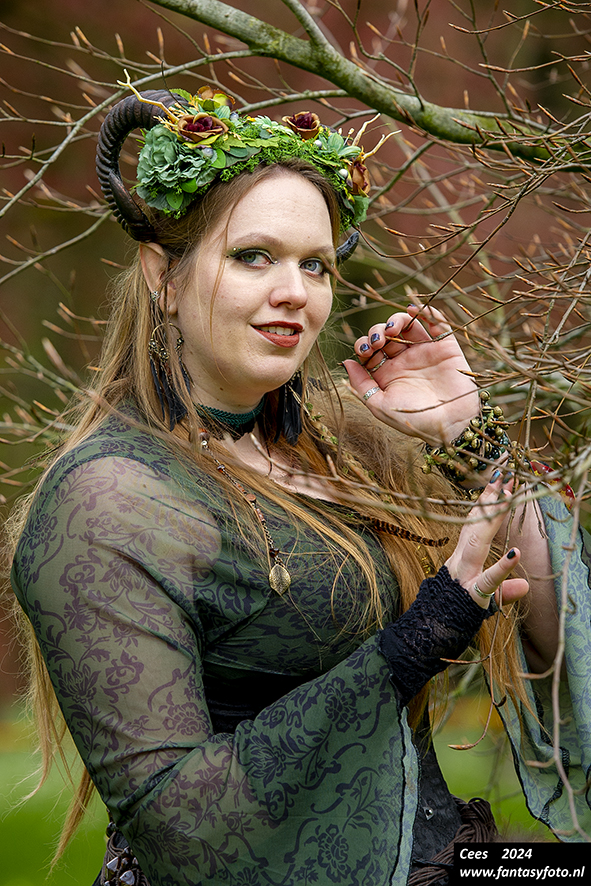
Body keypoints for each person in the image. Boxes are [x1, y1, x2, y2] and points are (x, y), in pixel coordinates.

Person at [8, 86, 591, 886]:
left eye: (314, 264)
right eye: (253, 256)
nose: (295, 291)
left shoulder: (347, 443)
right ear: (163, 276)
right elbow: (180, 827)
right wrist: (427, 629)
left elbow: (567, 641)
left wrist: (467, 435)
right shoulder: (108, 501)